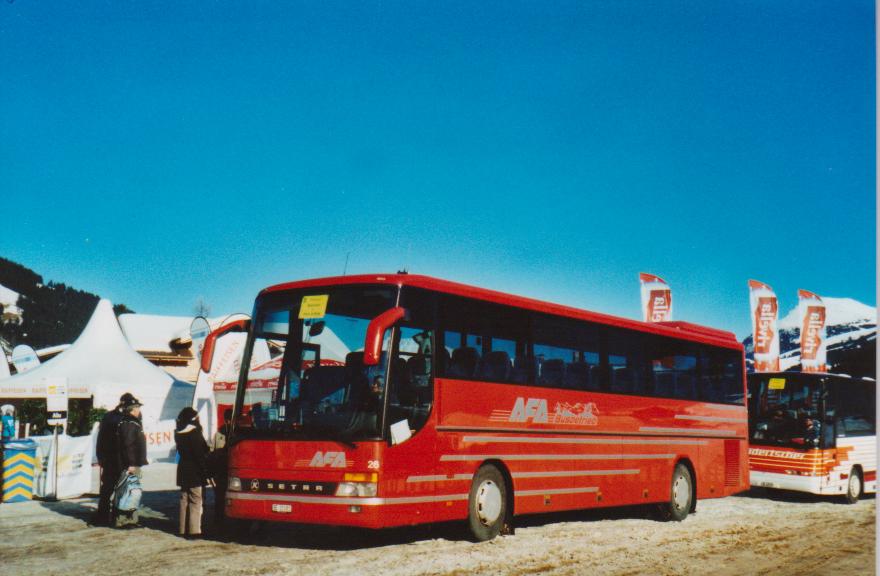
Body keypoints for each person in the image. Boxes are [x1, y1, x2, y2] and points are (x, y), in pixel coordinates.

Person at [93, 393, 134, 526]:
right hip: (111, 460)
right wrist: (100, 456)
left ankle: (119, 517)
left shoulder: (133, 416)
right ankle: (103, 516)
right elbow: (101, 438)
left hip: (126, 460)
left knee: (125, 490)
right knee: (107, 489)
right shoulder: (109, 416)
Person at [175, 407, 210, 538]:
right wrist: (205, 471)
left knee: (184, 500)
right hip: (195, 470)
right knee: (196, 500)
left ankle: (182, 529)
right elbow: (200, 453)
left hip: (183, 468)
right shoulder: (194, 432)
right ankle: (194, 530)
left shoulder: (178, 432)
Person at [115, 395, 148, 527]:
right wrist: (132, 464)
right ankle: (123, 519)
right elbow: (128, 445)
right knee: (128, 490)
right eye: (137, 407)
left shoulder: (130, 422)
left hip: (131, 462)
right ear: (132, 409)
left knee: (132, 489)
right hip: (129, 464)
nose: (139, 410)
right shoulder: (130, 423)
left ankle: (131, 519)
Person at [211, 409, 233, 526]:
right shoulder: (218, 434)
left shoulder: (238, 433)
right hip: (221, 471)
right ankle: (218, 521)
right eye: (228, 420)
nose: (229, 422)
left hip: (233, 470)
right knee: (219, 497)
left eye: (231, 420)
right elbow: (212, 450)